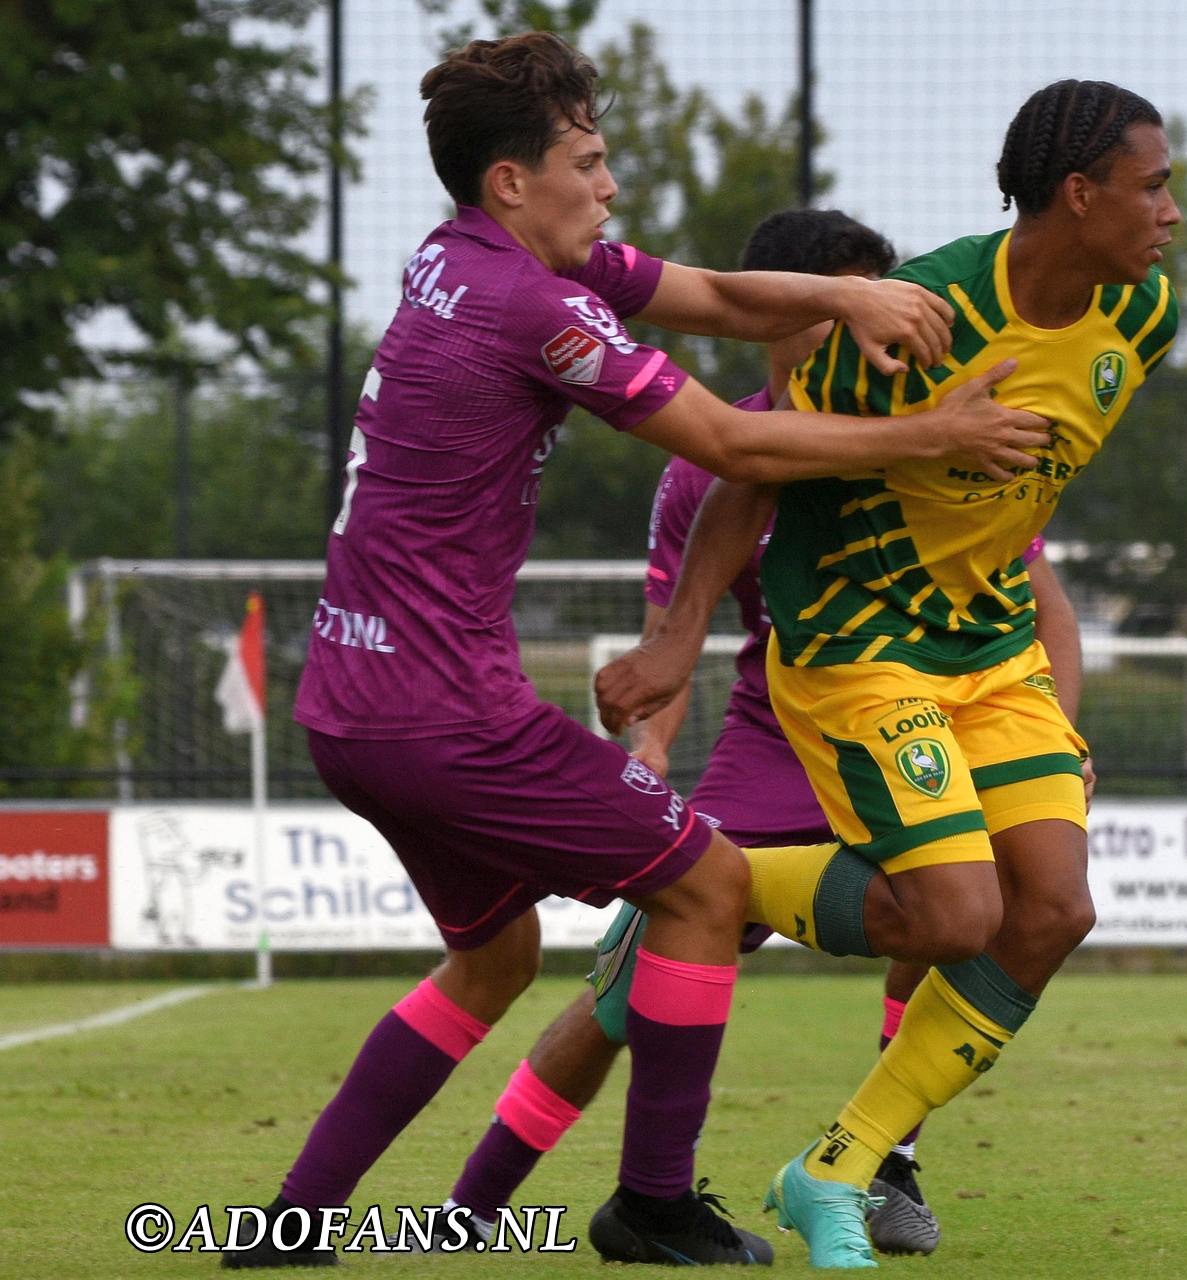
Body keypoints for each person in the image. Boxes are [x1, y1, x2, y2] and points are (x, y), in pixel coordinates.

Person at [220, 33, 1048, 1270]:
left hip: (350, 700)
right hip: (447, 715)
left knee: (495, 954)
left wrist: (841, 292)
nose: (608, 185)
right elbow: (734, 444)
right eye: (589, 161)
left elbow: (709, 296)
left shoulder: (461, 260)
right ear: (513, 179)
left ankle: (293, 1222)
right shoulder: (535, 305)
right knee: (706, 887)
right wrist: (937, 431)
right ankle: (652, 1200)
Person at [595, 78, 1177, 1267]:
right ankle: (719, 879)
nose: (1172, 212)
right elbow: (753, 465)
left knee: (1055, 907)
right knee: (959, 914)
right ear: (1079, 194)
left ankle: (835, 1168)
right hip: (858, 645)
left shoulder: (1144, 318)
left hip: (989, 650)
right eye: (1154, 185)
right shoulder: (926, 317)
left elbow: (1019, 517)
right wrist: (677, 638)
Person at [439, 207, 1088, 1262]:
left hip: (930, 707)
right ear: (773, 316)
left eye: (887, 313)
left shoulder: (939, 422)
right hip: (777, 730)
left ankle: (882, 1165)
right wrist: (648, 743)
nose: (869, 338)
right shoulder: (710, 452)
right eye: (839, 313)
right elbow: (672, 629)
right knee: (623, 990)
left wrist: (1054, 729)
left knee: (973, 905)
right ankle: (473, 1203)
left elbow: (1037, 595)